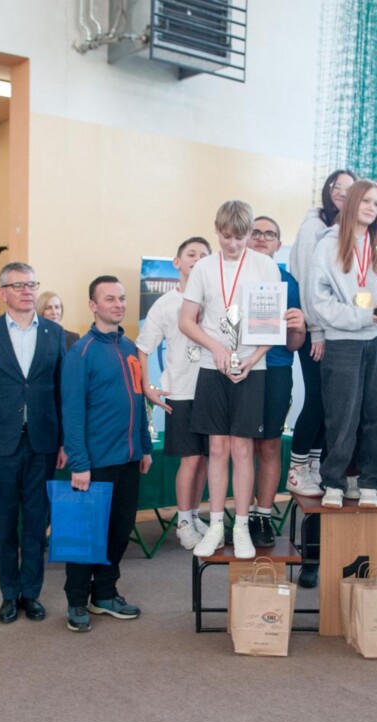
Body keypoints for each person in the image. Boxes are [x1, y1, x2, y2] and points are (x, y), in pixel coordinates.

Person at [0, 263, 66, 624]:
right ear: (2, 293)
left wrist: (66, 442)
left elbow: (62, 392)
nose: (27, 291)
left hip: (43, 443)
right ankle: (9, 594)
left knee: (36, 526)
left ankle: (31, 594)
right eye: (19, 285)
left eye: (32, 284)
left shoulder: (55, 333)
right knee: (5, 525)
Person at [179, 200, 281, 559]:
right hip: (212, 366)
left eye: (239, 238)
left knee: (242, 449)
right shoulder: (205, 268)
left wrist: (253, 358)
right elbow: (186, 321)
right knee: (218, 448)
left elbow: (273, 325)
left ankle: (241, 525)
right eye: (226, 237)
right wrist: (216, 347)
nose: (233, 244)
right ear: (217, 230)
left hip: (252, 368)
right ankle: (216, 524)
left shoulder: (265, 266)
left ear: (249, 233)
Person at [310, 179, 377, 508]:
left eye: (376, 203)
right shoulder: (327, 245)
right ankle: (334, 481)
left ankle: (373, 480)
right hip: (344, 341)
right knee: (342, 415)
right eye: (366, 201)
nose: (371, 208)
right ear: (352, 202)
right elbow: (319, 301)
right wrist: (365, 316)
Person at [61, 276, 153, 632]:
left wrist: (144, 447)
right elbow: (72, 413)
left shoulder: (130, 348)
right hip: (94, 464)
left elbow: (138, 400)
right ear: (93, 305)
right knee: (86, 536)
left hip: (128, 459)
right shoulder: (80, 353)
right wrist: (79, 464)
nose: (118, 304)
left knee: (119, 532)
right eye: (110, 299)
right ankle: (76, 601)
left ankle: (104, 594)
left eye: (122, 298)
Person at [136, 237, 212, 549]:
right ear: (177, 262)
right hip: (181, 392)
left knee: (206, 459)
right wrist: (148, 388)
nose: (197, 259)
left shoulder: (216, 300)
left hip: (213, 390)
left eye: (203, 255)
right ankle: (182, 522)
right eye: (191, 254)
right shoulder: (166, 304)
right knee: (191, 459)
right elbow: (143, 349)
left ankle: (194, 515)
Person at [285, 169, 357, 498]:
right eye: (336, 186)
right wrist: (316, 330)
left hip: (335, 330)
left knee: (329, 404)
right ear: (328, 190)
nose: (342, 192)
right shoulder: (314, 226)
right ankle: (297, 468)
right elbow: (306, 283)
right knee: (316, 399)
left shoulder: (345, 229)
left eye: (349, 188)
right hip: (315, 330)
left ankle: (313, 465)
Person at [246, 216, 306, 546]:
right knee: (240, 447)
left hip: (276, 369)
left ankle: (263, 515)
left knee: (268, 445)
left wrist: (299, 327)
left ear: (278, 245)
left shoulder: (288, 283)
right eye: (255, 232)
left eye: (269, 234)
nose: (261, 238)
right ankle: (241, 515)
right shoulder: (232, 274)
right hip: (239, 369)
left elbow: (295, 344)